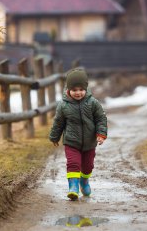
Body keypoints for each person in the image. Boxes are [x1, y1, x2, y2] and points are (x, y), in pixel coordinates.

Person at [49, 68, 108, 201]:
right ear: (68, 90)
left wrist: (101, 133)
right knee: (73, 163)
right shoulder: (63, 105)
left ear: (86, 89)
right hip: (71, 142)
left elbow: (101, 118)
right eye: (74, 90)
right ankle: (73, 187)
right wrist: (54, 136)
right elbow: (58, 122)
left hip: (89, 142)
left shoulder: (93, 103)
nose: (78, 93)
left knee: (88, 166)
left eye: (81, 89)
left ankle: (84, 181)